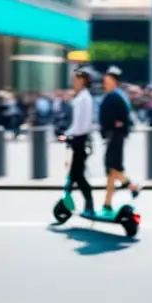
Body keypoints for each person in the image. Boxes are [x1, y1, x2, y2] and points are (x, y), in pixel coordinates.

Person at [99, 66, 139, 210]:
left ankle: (130, 186)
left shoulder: (116, 96)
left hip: (116, 136)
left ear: (115, 81)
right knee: (112, 168)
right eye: (105, 80)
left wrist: (118, 124)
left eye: (108, 80)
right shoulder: (112, 95)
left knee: (112, 167)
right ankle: (107, 202)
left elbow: (125, 116)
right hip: (113, 135)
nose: (105, 83)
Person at [62, 67, 95, 215]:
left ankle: (89, 205)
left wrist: (67, 134)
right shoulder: (81, 96)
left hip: (80, 140)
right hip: (78, 139)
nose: (73, 82)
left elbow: (81, 124)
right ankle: (68, 201)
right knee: (75, 174)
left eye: (76, 79)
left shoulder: (84, 98)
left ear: (83, 81)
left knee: (78, 175)